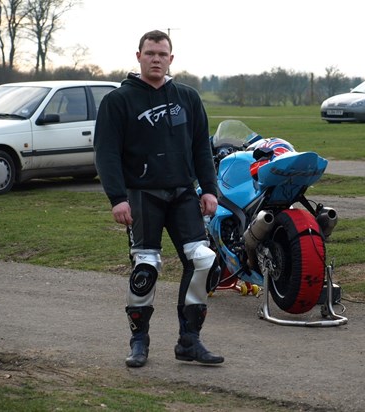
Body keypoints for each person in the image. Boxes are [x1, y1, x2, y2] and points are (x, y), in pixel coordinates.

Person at [94, 29, 224, 367]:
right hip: (141, 196)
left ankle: (189, 341)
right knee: (146, 267)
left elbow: (201, 147)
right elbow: (106, 153)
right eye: (150, 53)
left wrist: (209, 189)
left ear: (171, 59)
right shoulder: (118, 101)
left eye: (162, 54)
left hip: (183, 193)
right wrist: (117, 198)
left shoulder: (188, 97)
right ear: (138, 56)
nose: (156, 59)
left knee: (202, 260)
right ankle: (139, 342)